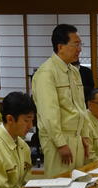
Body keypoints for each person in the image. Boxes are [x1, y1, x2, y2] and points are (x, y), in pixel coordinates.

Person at [32, 23, 90, 178]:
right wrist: (61, 143)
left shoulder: (74, 71)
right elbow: (49, 112)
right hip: (59, 139)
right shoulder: (46, 73)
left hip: (77, 137)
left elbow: (81, 107)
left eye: (80, 44)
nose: (80, 49)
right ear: (60, 46)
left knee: (80, 184)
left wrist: (85, 136)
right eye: (75, 44)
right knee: (61, 186)